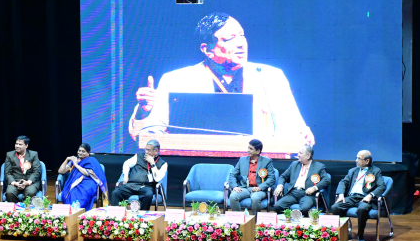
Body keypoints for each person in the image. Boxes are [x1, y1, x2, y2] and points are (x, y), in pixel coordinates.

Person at [128, 12, 314, 146]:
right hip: (197, 165)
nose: (241, 43)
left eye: (242, 35)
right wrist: (145, 112)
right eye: (230, 39)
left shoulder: (270, 76)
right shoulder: (176, 80)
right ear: (207, 49)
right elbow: (148, 137)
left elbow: (293, 130)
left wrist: (299, 136)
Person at [331, 150, 386, 241]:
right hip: (352, 197)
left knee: (362, 209)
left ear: (367, 161)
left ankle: (360, 235)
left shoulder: (375, 171)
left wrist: (370, 195)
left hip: (364, 198)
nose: (356, 160)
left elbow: (381, 186)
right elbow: (343, 182)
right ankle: (346, 232)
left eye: (358, 158)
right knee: (335, 207)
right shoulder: (353, 171)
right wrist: (341, 194)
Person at [273, 145, 330, 216]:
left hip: (307, 194)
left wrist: (314, 188)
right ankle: (287, 224)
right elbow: (283, 176)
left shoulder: (319, 166)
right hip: (293, 193)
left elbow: (326, 180)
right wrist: (280, 186)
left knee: (304, 209)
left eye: (300, 153)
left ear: (308, 156)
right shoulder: (294, 164)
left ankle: (301, 225)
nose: (298, 155)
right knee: (277, 206)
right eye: (298, 153)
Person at [110, 140, 167, 210]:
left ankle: (142, 217)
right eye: (146, 149)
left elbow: (157, 178)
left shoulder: (163, 164)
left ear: (156, 151)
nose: (146, 152)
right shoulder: (139, 156)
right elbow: (126, 164)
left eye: (149, 150)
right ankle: (117, 216)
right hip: (132, 185)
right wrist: (125, 176)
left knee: (148, 195)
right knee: (116, 193)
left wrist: (152, 163)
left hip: (146, 187)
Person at [229, 139, 276, 213]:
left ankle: (255, 222)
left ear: (258, 151)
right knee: (233, 196)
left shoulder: (267, 161)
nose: (248, 150)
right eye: (248, 148)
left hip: (259, 189)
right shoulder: (242, 160)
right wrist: (235, 186)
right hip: (245, 188)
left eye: (251, 149)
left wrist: (260, 187)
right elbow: (233, 175)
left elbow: (271, 178)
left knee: (255, 198)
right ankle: (239, 221)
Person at [58, 144, 108, 210]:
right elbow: (61, 171)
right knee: (73, 193)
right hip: (76, 183)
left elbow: (88, 173)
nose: (80, 153)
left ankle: (80, 212)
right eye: (79, 151)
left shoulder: (92, 160)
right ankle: (72, 212)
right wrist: (67, 160)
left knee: (83, 194)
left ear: (88, 152)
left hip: (88, 183)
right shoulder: (75, 161)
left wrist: (76, 165)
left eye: (83, 151)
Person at [4, 136, 41, 203]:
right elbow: (8, 173)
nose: (17, 146)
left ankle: (26, 211)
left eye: (20, 144)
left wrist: (28, 182)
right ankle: (15, 210)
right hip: (16, 181)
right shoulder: (9, 155)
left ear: (26, 146)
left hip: (30, 182)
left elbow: (36, 171)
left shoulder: (33, 154)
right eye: (16, 144)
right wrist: (15, 183)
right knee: (10, 193)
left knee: (30, 192)